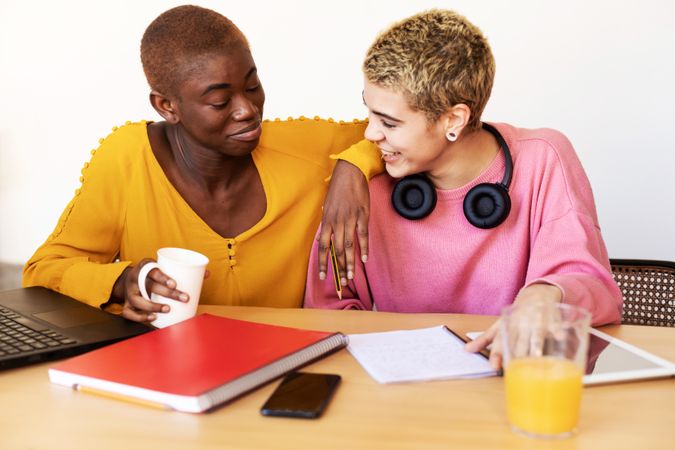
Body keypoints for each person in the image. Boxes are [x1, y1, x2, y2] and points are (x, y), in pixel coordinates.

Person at [22, 5, 382, 323]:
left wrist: (353, 165)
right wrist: (121, 281)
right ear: (167, 107)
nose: (247, 110)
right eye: (220, 101)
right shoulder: (128, 159)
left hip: (286, 364)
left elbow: (406, 130)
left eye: (252, 85)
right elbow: (44, 270)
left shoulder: (306, 149)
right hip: (167, 371)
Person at [304, 9, 623, 368]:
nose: (369, 134)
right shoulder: (366, 182)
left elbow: (592, 284)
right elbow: (326, 310)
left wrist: (544, 296)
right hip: (401, 393)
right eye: (370, 113)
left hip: (510, 381)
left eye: (389, 123)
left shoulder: (544, 159)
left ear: (453, 119)